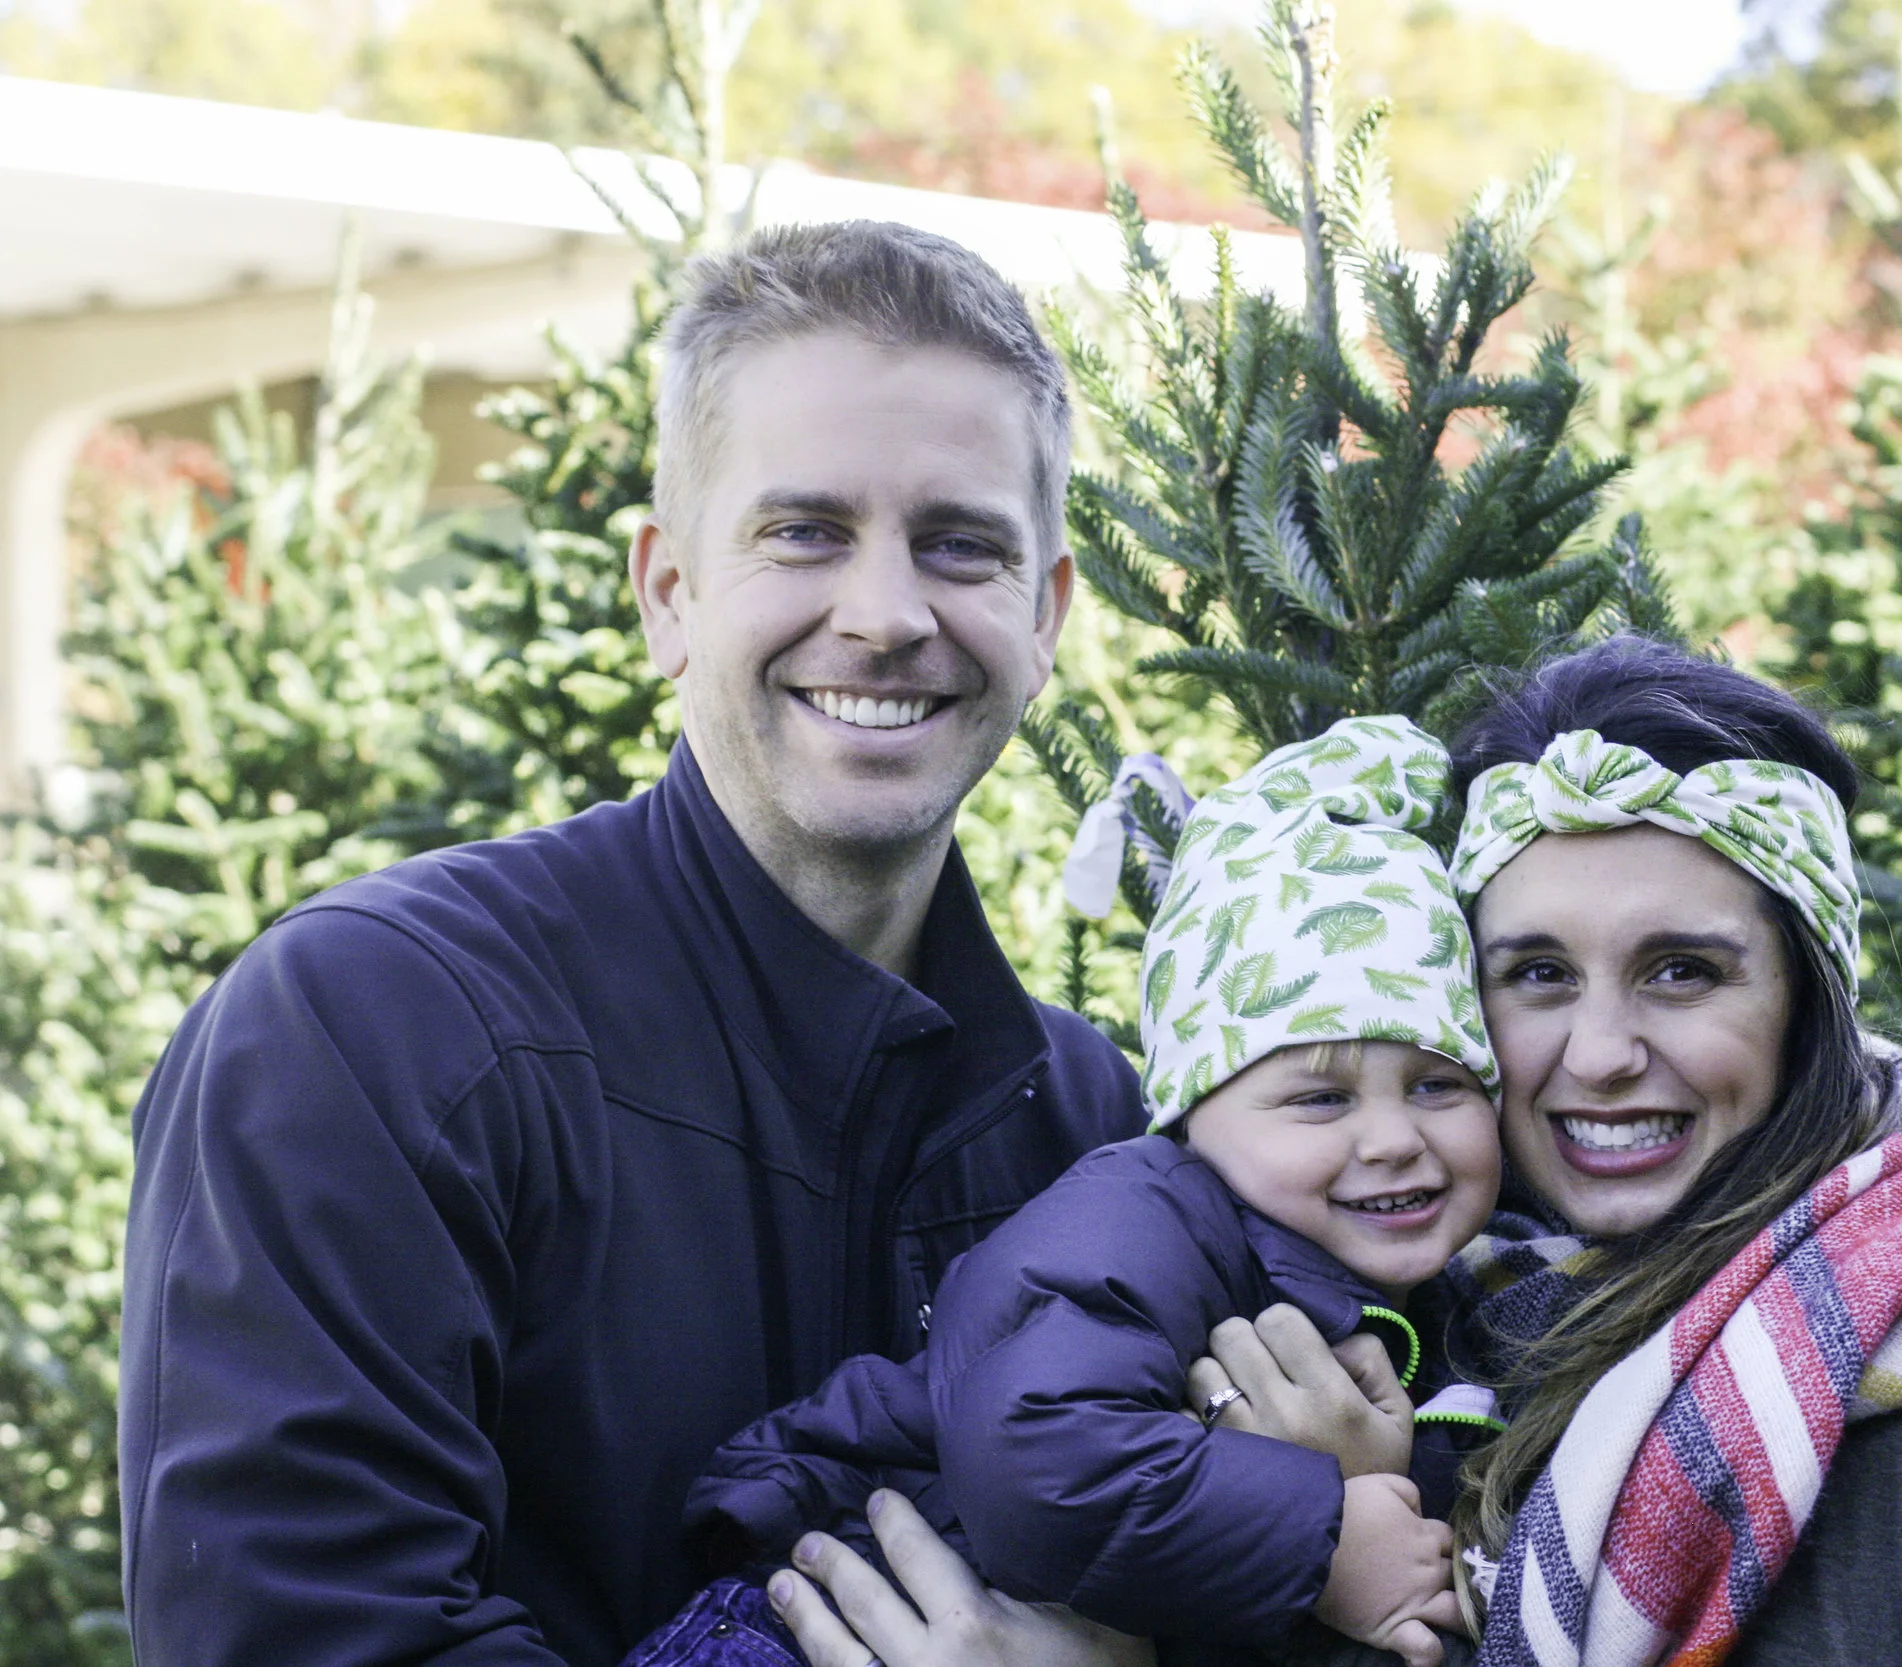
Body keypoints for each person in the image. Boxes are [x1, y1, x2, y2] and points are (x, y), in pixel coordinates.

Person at [117, 221, 1149, 1667]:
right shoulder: (378, 1029)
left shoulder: (1092, 1123)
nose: (885, 614)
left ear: (1043, 618)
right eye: (804, 532)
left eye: (959, 545)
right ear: (669, 592)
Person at [1183, 634, 1902, 1667]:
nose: (1599, 1055)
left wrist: (1327, 1519)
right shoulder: (1450, 1286)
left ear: (1805, 1007)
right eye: (1539, 973)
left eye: (1680, 970)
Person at [632, 717, 1501, 1667]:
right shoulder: (1144, 1220)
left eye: (1439, 1085)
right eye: (1320, 1099)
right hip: (812, 1614)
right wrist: (1326, 1546)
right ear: (1193, 1110)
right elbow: (1032, 1452)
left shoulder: (1460, 1302)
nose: (1394, 1138)